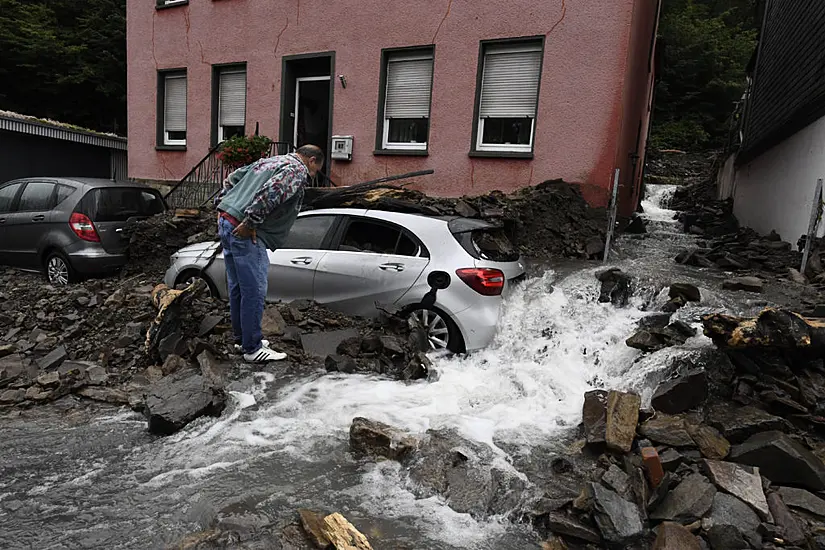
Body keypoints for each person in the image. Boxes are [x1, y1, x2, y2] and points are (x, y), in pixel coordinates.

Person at [214, 144, 324, 363]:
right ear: (311, 160)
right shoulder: (296, 169)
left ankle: (242, 338)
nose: (313, 175)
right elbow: (271, 193)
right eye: (316, 170)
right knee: (254, 289)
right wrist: (250, 222)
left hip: (227, 223)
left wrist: (223, 206)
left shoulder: (270, 161)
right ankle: (253, 349)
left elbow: (232, 178)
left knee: (238, 287)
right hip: (245, 232)